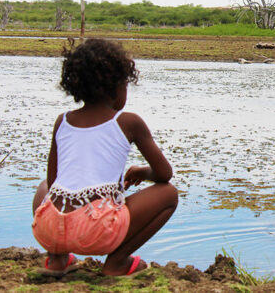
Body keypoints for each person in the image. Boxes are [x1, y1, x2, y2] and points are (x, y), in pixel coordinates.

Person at [31, 38, 178, 277]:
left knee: (45, 186)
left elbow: (53, 181)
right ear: (117, 87)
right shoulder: (128, 122)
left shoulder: (62, 121)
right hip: (96, 231)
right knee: (169, 193)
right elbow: (165, 174)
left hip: (49, 230)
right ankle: (117, 262)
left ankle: (56, 259)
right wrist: (144, 172)